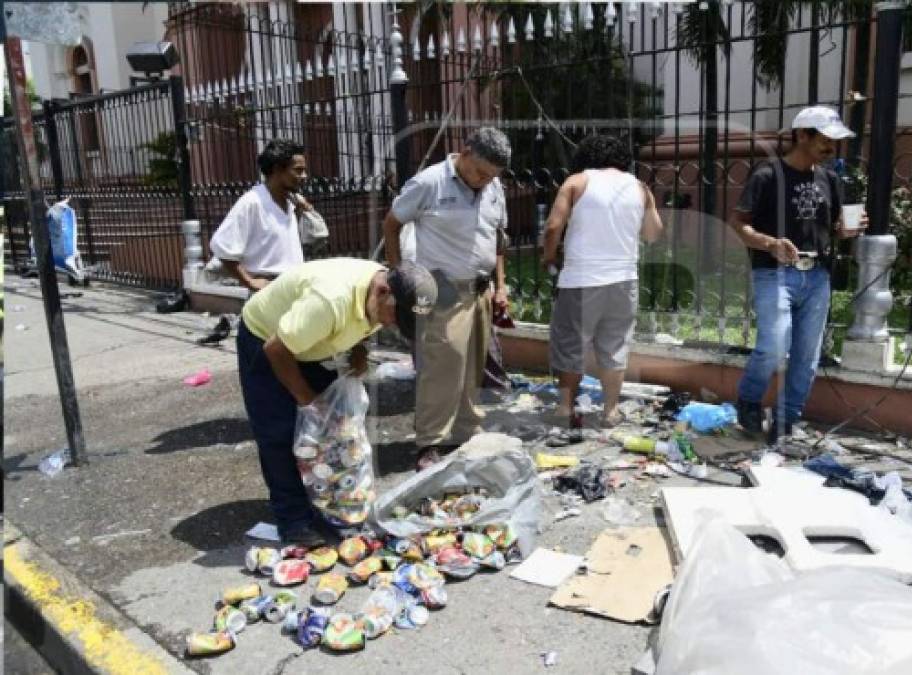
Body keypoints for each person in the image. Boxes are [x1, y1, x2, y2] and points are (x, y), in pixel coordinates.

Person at [237, 258, 437, 546]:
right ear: (381, 292)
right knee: (280, 432)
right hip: (267, 340)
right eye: (394, 316)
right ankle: (293, 520)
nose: (391, 324)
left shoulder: (381, 295)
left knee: (331, 435)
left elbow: (363, 319)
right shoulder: (330, 301)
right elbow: (276, 349)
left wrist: (358, 346)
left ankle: (326, 508)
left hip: (309, 341)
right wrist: (307, 400)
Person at [730, 105, 868, 443]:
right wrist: (770, 243)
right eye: (824, 139)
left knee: (807, 356)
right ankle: (748, 400)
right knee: (775, 346)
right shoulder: (767, 175)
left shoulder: (829, 179)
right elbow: (739, 224)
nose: (830, 147)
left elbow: (831, 226)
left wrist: (846, 231)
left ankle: (786, 418)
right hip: (774, 273)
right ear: (802, 135)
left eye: (834, 140)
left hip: (817, 275)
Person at [382, 128, 512, 471]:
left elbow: (499, 240)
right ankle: (430, 442)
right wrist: (400, 276)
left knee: (472, 364)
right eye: (480, 172)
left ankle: (467, 431)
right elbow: (392, 224)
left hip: (481, 290)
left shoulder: (493, 187)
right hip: (442, 290)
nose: (484, 181)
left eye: (491, 176)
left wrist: (501, 286)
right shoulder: (429, 183)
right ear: (465, 152)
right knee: (441, 365)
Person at [541, 134, 664, 427]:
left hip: (581, 280)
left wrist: (548, 258)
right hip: (624, 281)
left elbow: (553, 226)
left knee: (572, 345)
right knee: (614, 346)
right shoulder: (640, 188)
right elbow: (653, 233)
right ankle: (610, 411)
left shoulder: (576, 182)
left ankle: (565, 408)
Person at [210, 138, 309, 294]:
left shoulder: (291, 202)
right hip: (269, 292)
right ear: (277, 169)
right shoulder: (252, 202)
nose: (304, 176)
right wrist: (249, 281)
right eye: (298, 170)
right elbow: (223, 246)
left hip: (294, 288)